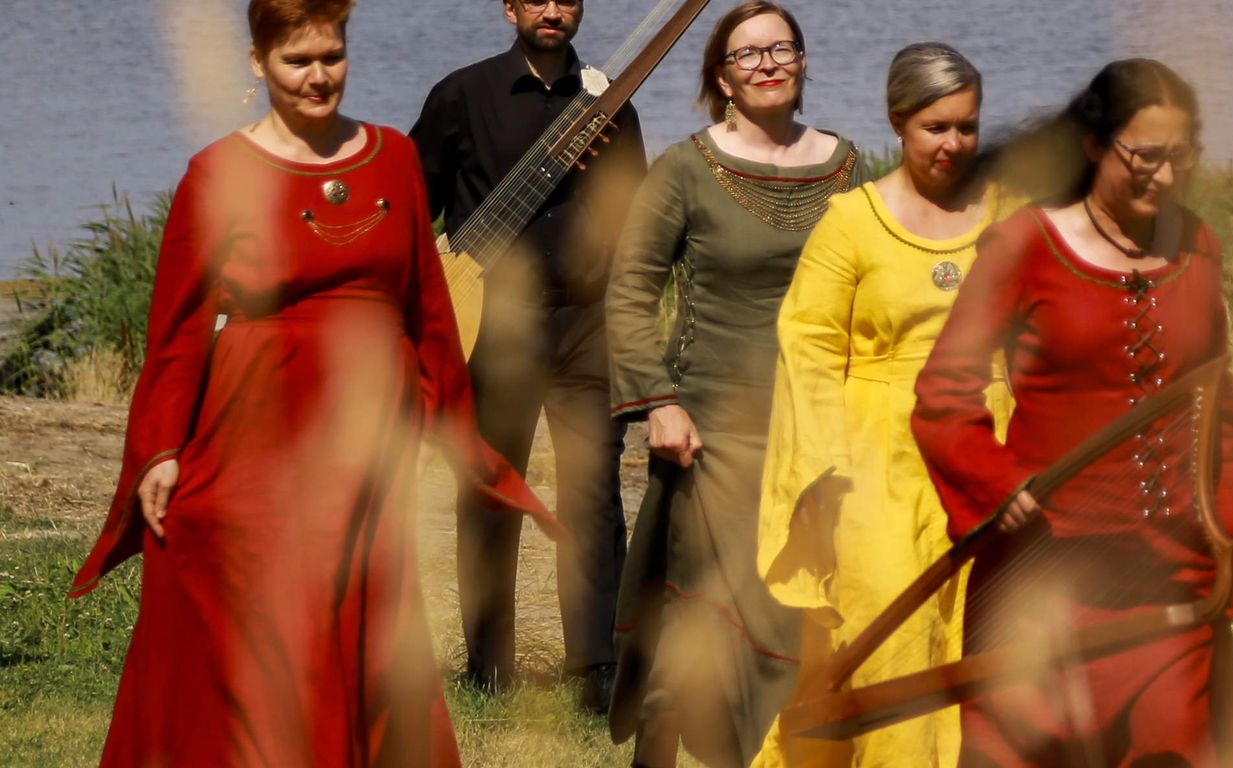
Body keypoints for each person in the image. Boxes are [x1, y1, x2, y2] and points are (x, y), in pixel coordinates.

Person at [68, 0, 559, 764]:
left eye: (332, 56)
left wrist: (452, 430)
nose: (318, 76)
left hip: (365, 430)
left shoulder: (392, 159)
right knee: (228, 588)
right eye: (298, 61)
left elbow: (427, 310)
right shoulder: (218, 173)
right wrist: (160, 451)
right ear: (258, 63)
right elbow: (178, 332)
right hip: (253, 421)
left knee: (347, 605)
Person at [910, 59, 1233, 766]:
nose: (1165, 176)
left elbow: (1216, 411)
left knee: (1178, 747)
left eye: (1182, 156)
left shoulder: (1198, 246)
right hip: (1046, 576)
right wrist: (995, 483)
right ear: (1095, 145)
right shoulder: (1023, 247)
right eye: (1145, 156)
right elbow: (943, 396)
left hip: (1172, 576)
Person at [605, 3, 865, 765]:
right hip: (712, 437)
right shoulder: (686, 168)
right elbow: (630, 289)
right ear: (721, 78)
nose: (767, 64)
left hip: (818, 434)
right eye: (747, 54)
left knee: (797, 618)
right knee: (701, 624)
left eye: (782, 49)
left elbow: (871, 283)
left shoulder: (844, 164)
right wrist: (660, 404)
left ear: (803, 62)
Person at [753, 42, 1013, 767]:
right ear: (898, 122)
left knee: (980, 636)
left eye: (967, 127)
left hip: (988, 449)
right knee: (886, 638)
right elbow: (808, 346)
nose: (953, 143)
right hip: (877, 459)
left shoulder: (1007, 213)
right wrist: (822, 468)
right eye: (936, 127)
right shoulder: (853, 222)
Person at [409, 0, 647, 710]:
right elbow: (413, 208)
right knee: (488, 491)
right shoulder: (462, 95)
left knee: (593, 493)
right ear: (509, 8)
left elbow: (633, 218)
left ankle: (595, 671)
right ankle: (489, 670)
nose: (552, 10)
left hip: (585, 324)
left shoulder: (611, 105)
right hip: (491, 324)